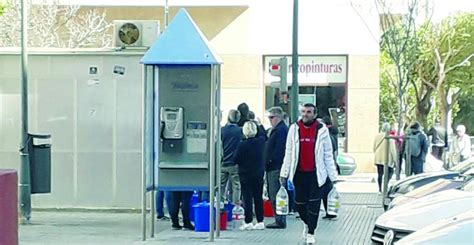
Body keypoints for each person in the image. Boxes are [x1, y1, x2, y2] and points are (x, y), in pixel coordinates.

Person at [279, 103, 338, 244]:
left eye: (309, 112)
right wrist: (284, 173)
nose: (305, 114)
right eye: (304, 111)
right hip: (299, 174)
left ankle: (311, 232)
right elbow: (288, 152)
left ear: (314, 114)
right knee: (299, 204)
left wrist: (333, 176)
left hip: (316, 174)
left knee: (314, 205)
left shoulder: (321, 130)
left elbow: (328, 155)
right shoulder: (294, 129)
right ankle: (307, 223)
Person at [233, 122, 266, 230]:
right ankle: (260, 220)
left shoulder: (242, 144)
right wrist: (259, 124)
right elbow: (264, 134)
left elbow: (236, 159)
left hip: (245, 174)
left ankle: (248, 221)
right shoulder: (261, 142)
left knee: (247, 197)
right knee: (258, 197)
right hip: (258, 172)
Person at [264, 107, 289, 229]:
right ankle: (278, 218)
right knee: (274, 193)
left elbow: (279, 149)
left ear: (278, 117)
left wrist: (270, 160)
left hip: (275, 167)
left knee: (275, 193)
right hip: (273, 166)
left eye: (271, 117)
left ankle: (279, 219)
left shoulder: (280, 130)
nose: (270, 120)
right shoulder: (278, 129)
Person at [220, 110, 242, 205]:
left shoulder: (222, 130)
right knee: (236, 186)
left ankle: (219, 206)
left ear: (228, 118)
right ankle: (235, 206)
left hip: (223, 163)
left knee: (221, 186)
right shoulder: (240, 131)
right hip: (235, 164)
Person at [373, 123, 397, 193]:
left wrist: (377, 153)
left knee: (380, 174)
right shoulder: (390, 137)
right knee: (390, 172)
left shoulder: (377, 136)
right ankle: (385, 186)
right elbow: (393, 150)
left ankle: (380, 189)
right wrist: (395, 161)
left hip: (378, 158)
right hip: (387, 158)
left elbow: (374, 147)